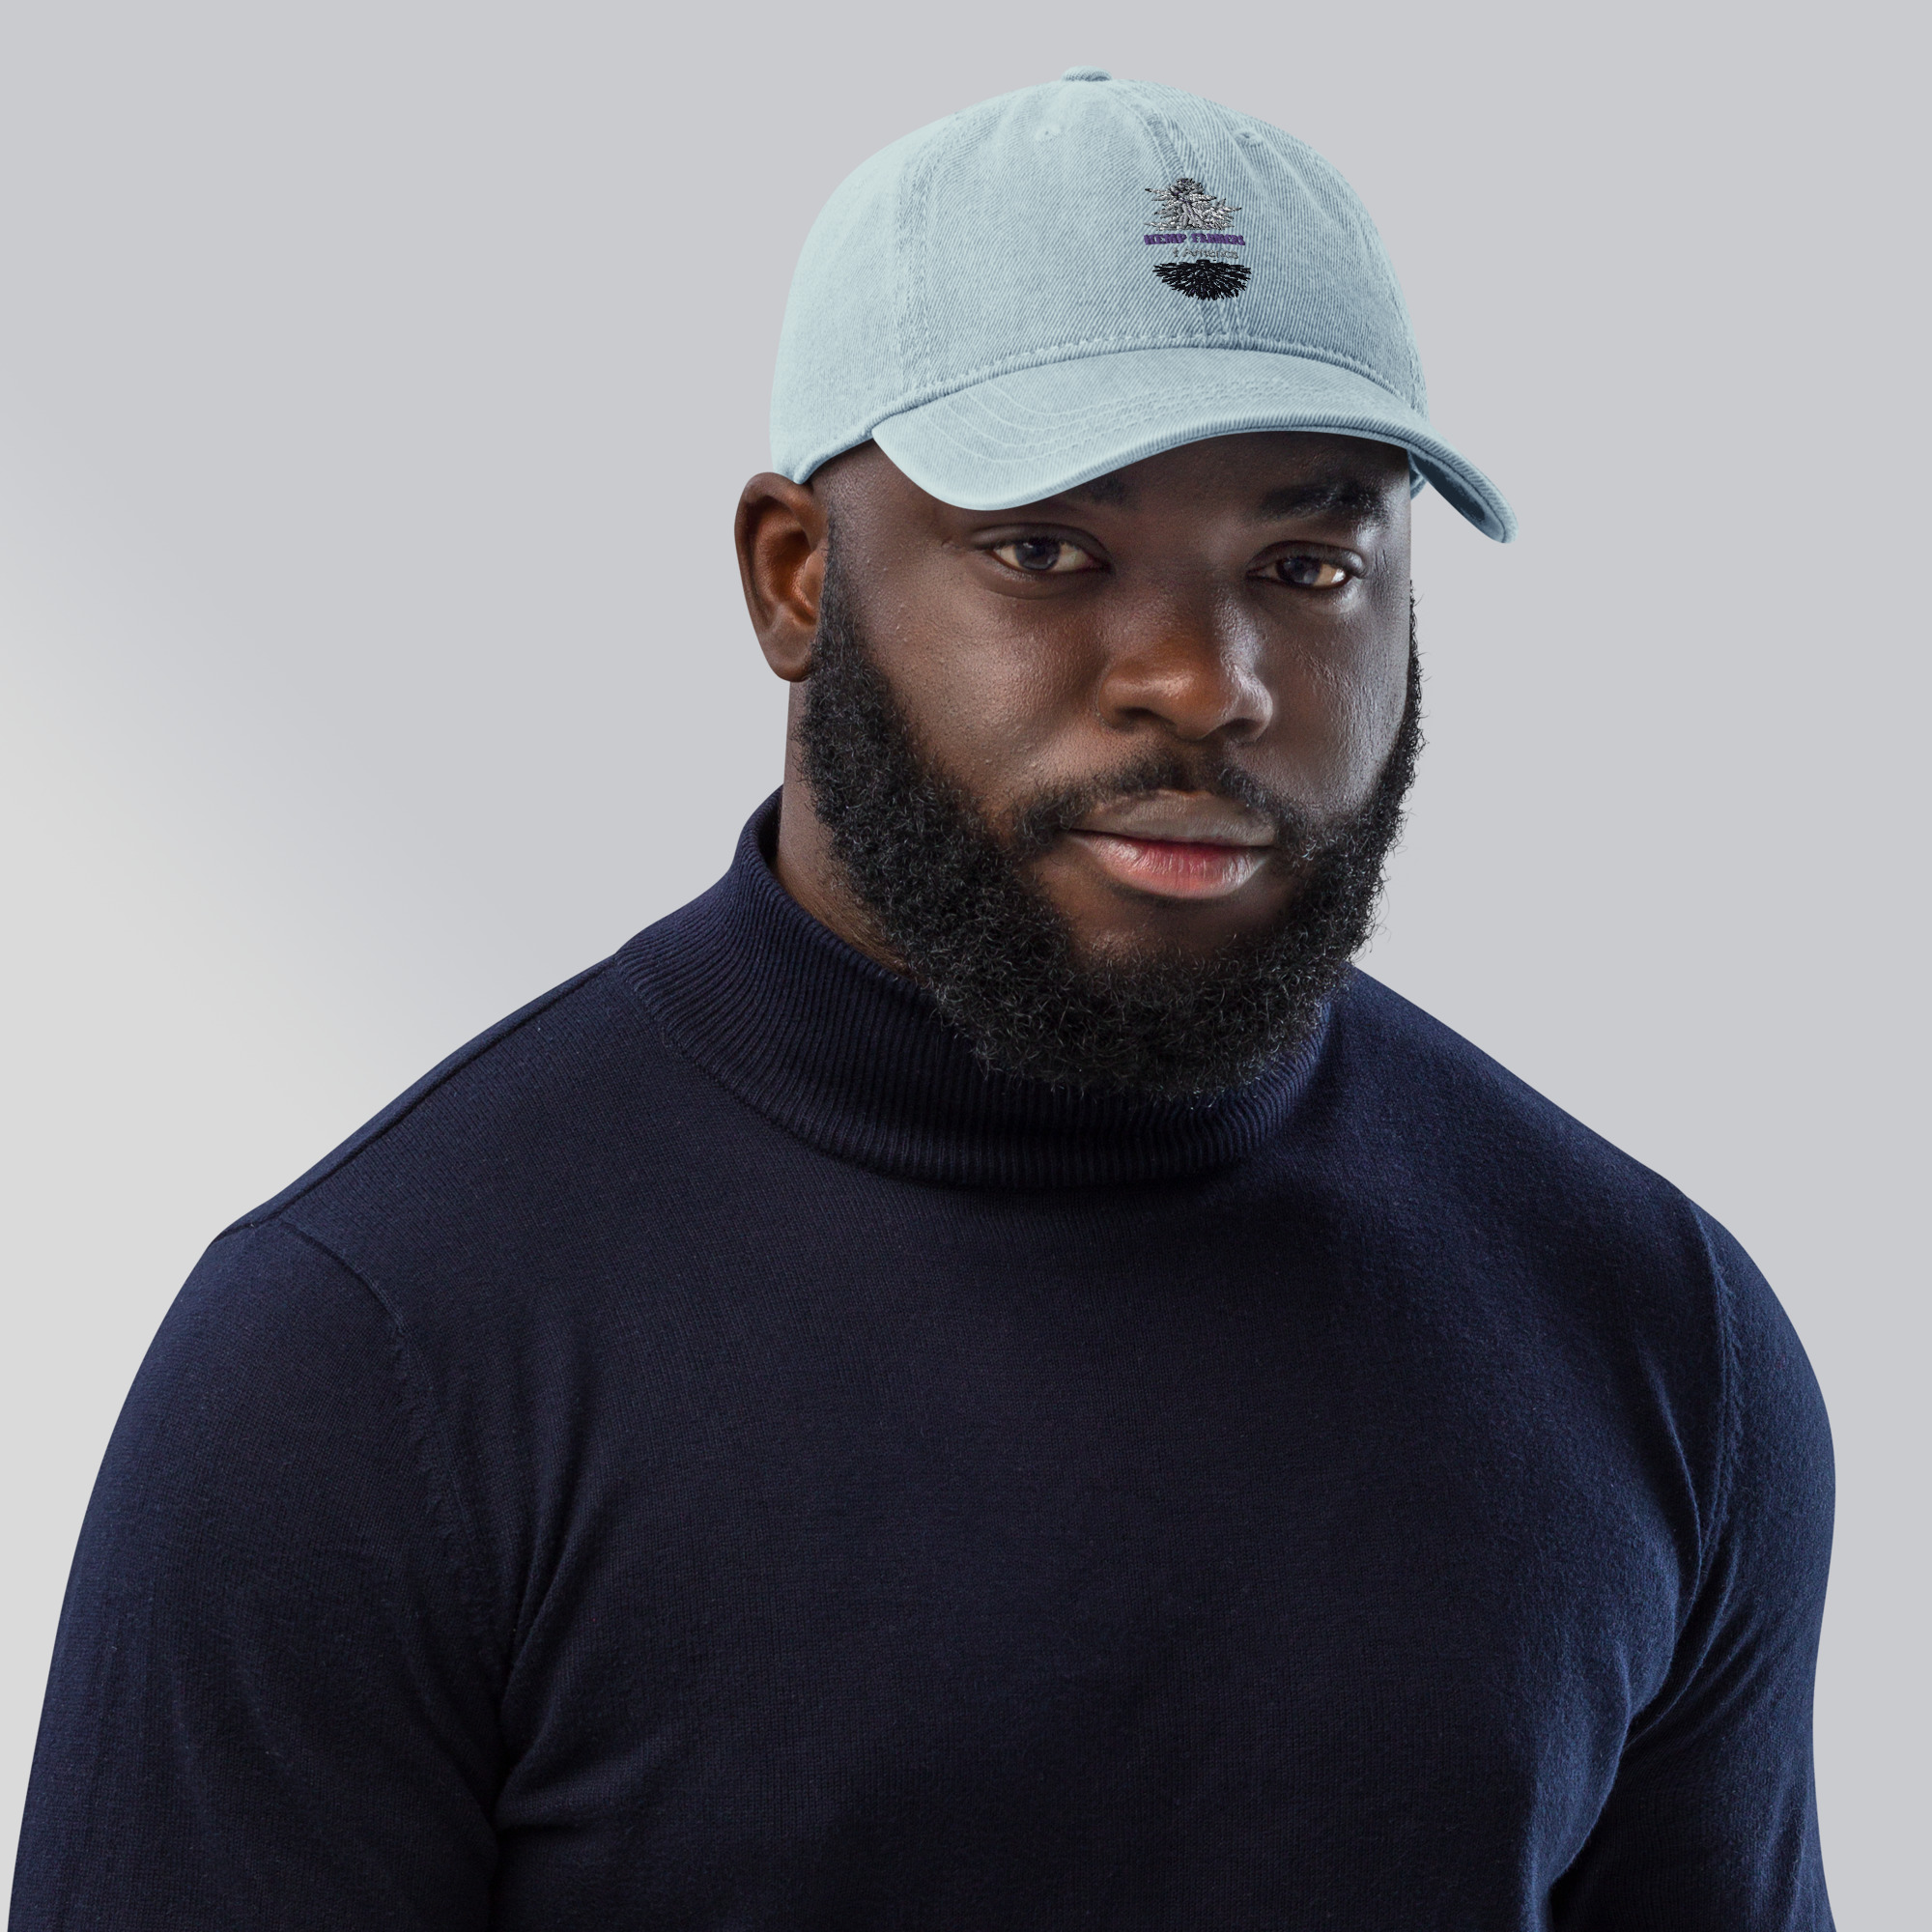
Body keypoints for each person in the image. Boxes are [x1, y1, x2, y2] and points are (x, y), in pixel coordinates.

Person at [10, 70, 1833, 1931]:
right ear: (796, 577)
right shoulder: (369, 1358)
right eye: (1048, 550)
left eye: (1309, 565)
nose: (1207, 681)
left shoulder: (1652, 1336)